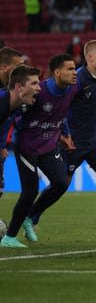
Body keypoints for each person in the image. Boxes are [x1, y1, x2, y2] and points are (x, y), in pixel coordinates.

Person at [25, 40, 96, 244]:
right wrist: (62, 133)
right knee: (61, 184)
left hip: (92, 138)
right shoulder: (76, 79)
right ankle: (31, 216)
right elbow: (60, 107)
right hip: (72, 141)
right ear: (90, 57)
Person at [0, 54, 78, 248]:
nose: (38, 87)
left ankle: (30, 216)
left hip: (49, 145)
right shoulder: (11, 102)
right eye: (34, 83)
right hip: (27, 146)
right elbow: (12, 121)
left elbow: (61, 114)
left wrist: (64, 134)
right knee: (30, 191)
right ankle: (9, 236)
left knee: (61, 182)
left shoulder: (70, 90)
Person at [0, 65, 41, 220]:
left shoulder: (13, 106)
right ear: (18, 87)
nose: (39, 88)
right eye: (34, 84)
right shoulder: (2, 105)